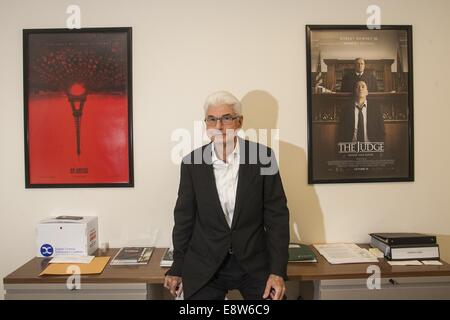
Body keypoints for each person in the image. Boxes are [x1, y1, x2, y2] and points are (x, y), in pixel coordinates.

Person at [164, 91, 290, 300]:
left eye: (226, 118)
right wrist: (177, 267)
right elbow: (184, 220)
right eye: (212, 119)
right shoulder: (192, 163)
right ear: (206, 125)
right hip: (206, 264)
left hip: (254, 263)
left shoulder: (263, 157)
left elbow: (277, 217)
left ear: (239, 122)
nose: (219, 126)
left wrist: (277, 271)